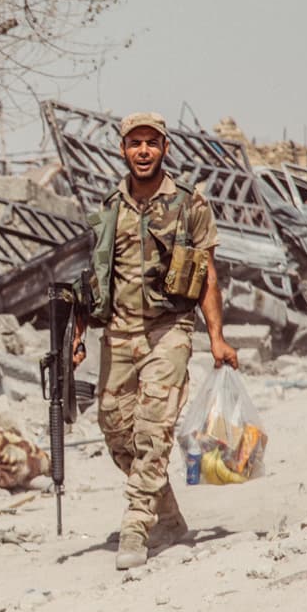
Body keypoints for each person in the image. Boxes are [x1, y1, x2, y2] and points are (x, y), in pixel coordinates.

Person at [71, 111, 239, 571]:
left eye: (151, 143)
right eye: (134, 143)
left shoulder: (189, 204)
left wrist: (217, 338)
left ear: (165, 148)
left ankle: (136, 522)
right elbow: (95, 276)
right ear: (123, 149)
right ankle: (168, 516)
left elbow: (206, 274)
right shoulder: (109, 208)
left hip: (170, 331)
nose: (142, 151)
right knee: (113, 426)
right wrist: (80, 332)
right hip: (120, 333)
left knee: (153, 429)